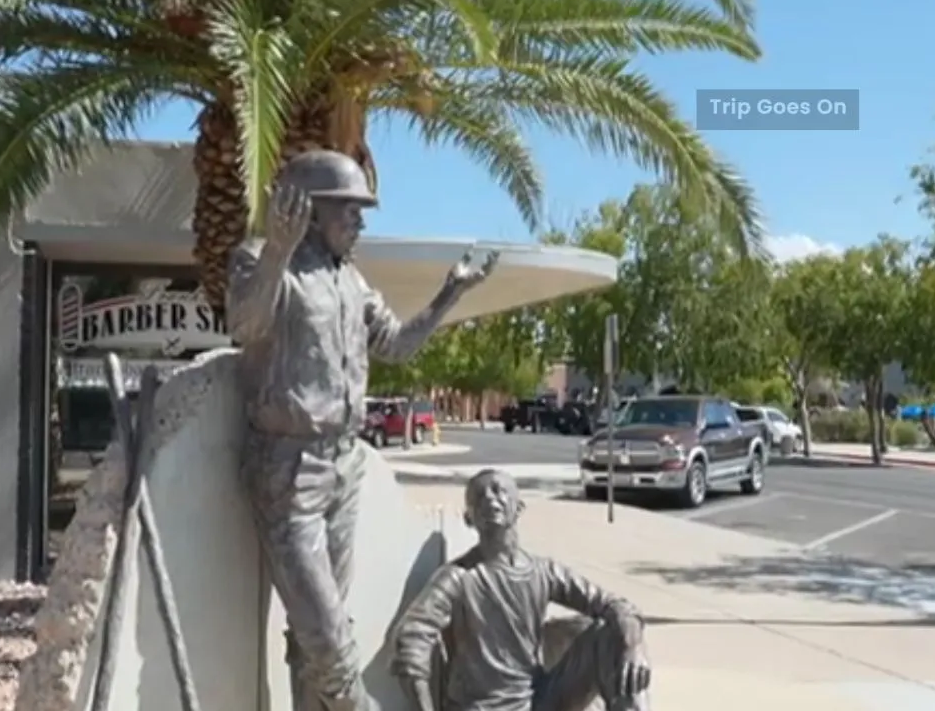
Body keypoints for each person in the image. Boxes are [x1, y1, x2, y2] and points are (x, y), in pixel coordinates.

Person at [226, 150, 499, 711]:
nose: (361, 223)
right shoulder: (259, 259)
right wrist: (278, 246)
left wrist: (451, 292)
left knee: (314, 641)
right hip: (288, 475)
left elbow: (396, 344)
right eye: (350, 210)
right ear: (307, 209)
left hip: (343, 467)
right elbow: (244, 325)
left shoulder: (351, 280)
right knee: (331, 645)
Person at [390, 469, 652, 711]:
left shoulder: (544, 571)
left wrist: (633, 647)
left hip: (537, 700)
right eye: (478, 496)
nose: (490, 498)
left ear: (518, 508)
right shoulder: (457, 578)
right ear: (469, 518)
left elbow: (616, 606)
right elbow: (410, 638)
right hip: (480, 707)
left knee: (612, 635)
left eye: (498, 490)